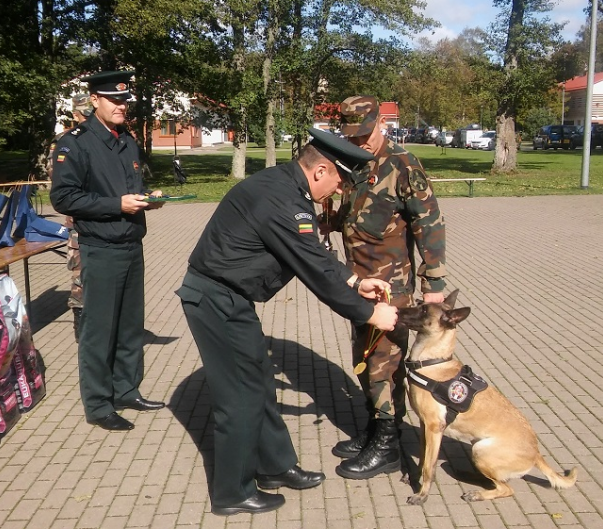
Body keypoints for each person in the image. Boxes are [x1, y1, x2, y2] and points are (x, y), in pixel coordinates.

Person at [176, 128, 399, 516]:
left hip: (229, 298)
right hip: (214, 299)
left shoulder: (287, 188)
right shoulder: (282, 201)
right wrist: (369, 313)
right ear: (320, 171)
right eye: (339, 182)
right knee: (239, 398)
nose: (339, 192)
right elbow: (313, 270)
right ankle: (233, 492)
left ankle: (276, 466)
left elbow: (313, 250)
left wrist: (356, 281)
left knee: (259, 380)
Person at [325, 95, 447, 481]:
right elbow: (349, 210)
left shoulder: (403, 164)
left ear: (380, 123)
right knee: (365, 357)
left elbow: (430, 223)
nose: (359, 142)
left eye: (364, 134)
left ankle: (389, 445)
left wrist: (434, 283)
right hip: (357, 283)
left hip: (391, 287)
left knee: (383, 363)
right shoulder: (355, 163)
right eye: (352, 135)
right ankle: (376, 428)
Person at [50, 71, 166, 432]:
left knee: (130, 326)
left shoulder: (126, 140)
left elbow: (133, 186)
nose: (121, 105)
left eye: (125, 100)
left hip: (131, 243)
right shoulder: (75, 143)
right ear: (94, 100)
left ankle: (126, 389)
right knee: (100, 330)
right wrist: (117, 205)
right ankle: (99, 405)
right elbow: (64, 197)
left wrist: (147, 200)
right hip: (100, 247)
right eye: (113, 100)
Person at [47, 93, 93, 341]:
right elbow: (57, 178)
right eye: (85, 115)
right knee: (80, 276)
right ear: (75, 115)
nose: (88, 119)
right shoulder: (65, 142)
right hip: (79, 221)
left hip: (104, 219)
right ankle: (81, 328)